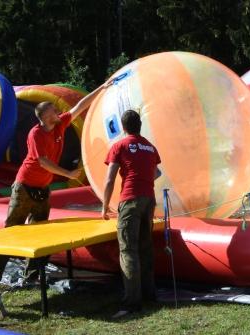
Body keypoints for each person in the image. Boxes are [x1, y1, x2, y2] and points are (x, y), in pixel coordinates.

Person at [0, 80, 113, 283]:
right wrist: (68, 174)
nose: (58, 112)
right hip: (24, 187)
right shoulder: (36, 134)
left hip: (42, 188)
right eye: (54, 111)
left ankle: (31, 276)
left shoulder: (59, 125)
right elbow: (43, 162)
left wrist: (100, 89)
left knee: (43, 231)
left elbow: (78, 106)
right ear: (47, 117)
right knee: (11, 229)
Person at [101, 110, 161, 318]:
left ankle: (131, 304)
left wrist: (104, 206)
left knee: (128, 251)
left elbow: (109, 180)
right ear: (140, 125)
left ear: (123, 127)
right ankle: (149, 295)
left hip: (130, 199)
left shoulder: (119, 146)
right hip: (148, 199)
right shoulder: (150, 147)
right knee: (145, 247)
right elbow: (156, 172)